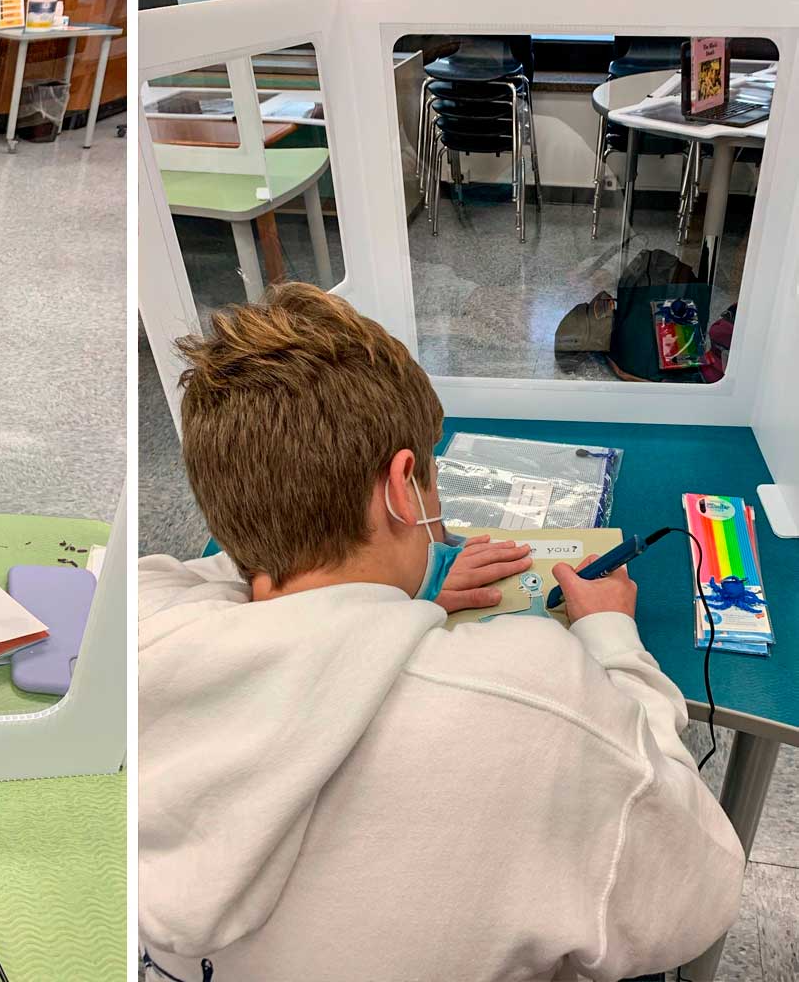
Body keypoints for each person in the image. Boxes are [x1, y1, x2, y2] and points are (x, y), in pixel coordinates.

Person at [138, 283, 745, 982]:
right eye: (430, 479)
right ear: (403, 486)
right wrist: (610, 637)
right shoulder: (536, 694)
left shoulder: (148, 630)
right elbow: (697, 891)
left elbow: (237, 581)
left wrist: (401, 584)